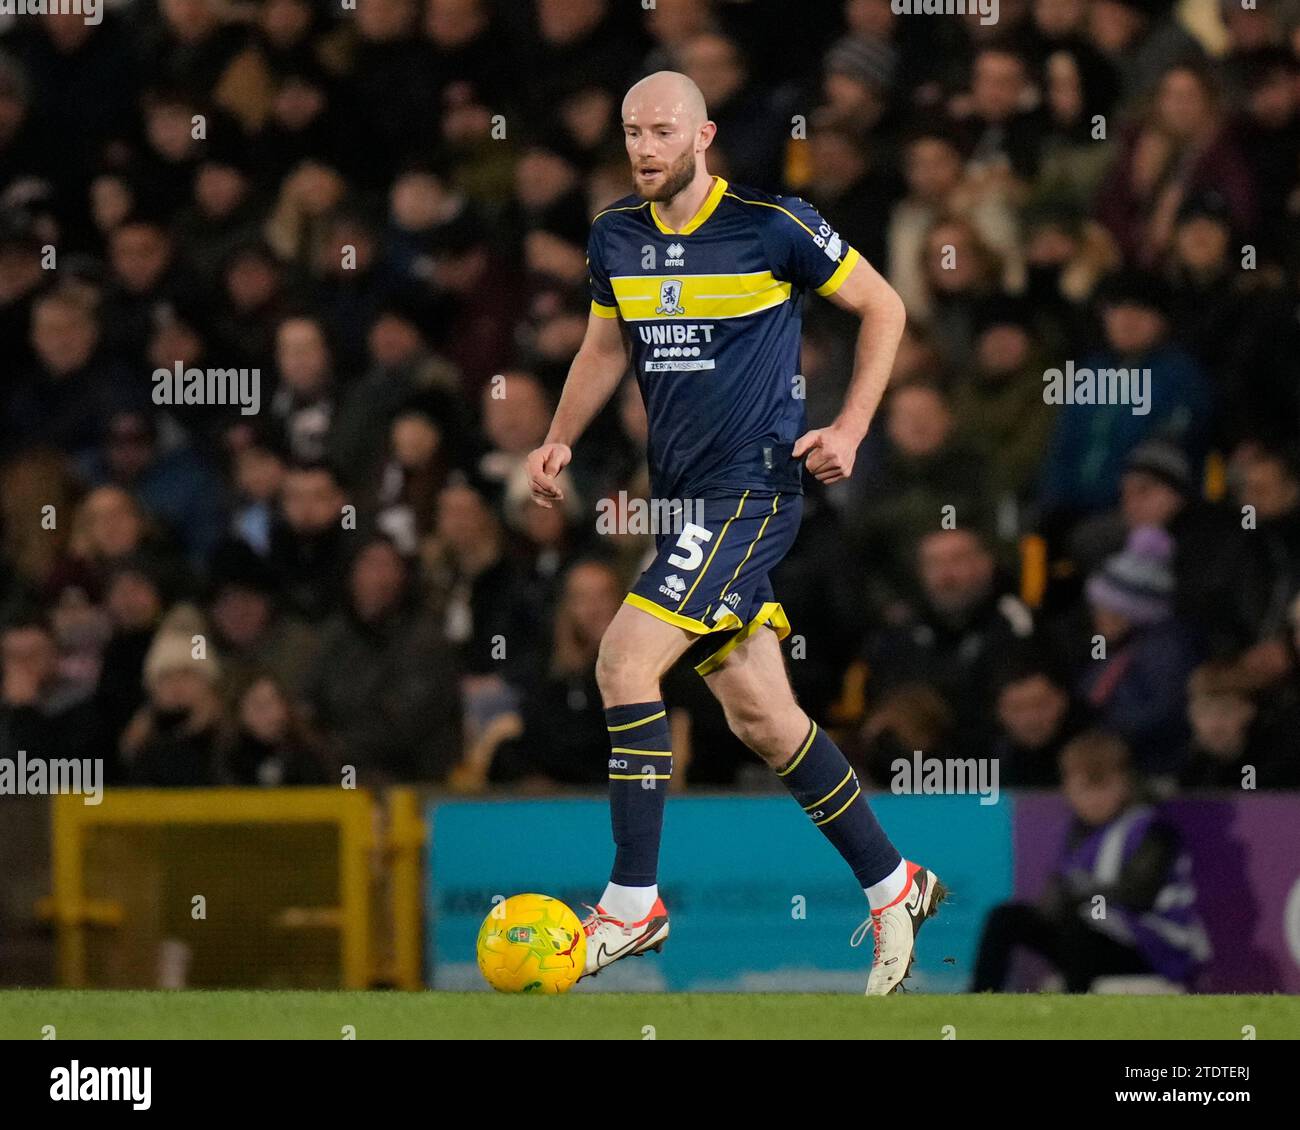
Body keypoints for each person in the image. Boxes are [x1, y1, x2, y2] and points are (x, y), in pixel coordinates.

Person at [525, 71, 942, 994]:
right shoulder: (614, 236)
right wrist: (556, 439)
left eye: (662, 130)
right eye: (632, 130)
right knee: (761, 714)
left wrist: (852, 428)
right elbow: (603, 347)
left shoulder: (773, 224)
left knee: (623, 663)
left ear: (704, 134)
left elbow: (886, 306)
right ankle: (893, 881)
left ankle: (633, 903)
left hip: (749, 494)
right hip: (682, 504)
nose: (643, 147)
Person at [972, 730, 1211, 992]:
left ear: (1125, 783)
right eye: (1083, 788)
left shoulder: (1151, 829)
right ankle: (980, 999)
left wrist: (1077, 896)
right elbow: (1059, 896)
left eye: (1102, 787)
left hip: (1153, 948)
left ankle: (1072, 1009)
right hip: (1089, 939)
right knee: (1005, 918)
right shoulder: (1076, 831)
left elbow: (1140, 894)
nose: (1093, 799)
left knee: (1080, 925)